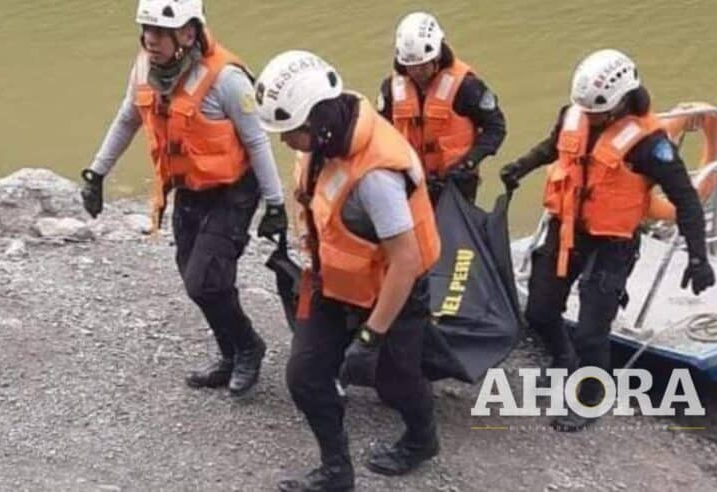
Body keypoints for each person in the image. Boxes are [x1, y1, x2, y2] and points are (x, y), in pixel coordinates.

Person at [499, 49, 716, 431]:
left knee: (591, 331)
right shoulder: (575, 114)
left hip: (613, 243)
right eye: (586, 110)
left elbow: (685, 199)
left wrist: (697, 257)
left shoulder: (650, 144)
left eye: (598, 112)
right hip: (567, 229)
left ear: (621, 101)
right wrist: (521, 166)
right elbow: (554, 145)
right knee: (538, 312)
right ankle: (565, 359)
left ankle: (590, 397)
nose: (590, 117)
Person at [255, 50, 442, 491]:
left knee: (395, 381)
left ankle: (422, 438)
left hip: (389, 291)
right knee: (304, 376)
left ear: (318, 123)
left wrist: (371, 335)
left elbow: (406, 260)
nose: (285, 143)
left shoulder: (377, 176)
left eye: (290, 133)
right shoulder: (326, 141)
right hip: (332, 280)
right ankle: (337, 470)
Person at [80, 0, 287, 398]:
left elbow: (257, 141)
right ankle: (230, 354)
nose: (149, 40)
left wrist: (275, 204)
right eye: (146, 30)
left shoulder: (227, 79)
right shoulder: (143, 69)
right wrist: (97, 173)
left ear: (189, 34)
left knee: (203, 280)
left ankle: (248, 348)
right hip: (188, 190)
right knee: (196, 276)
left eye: (159, 32)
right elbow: (128, 119)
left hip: (233, 192)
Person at [377, 12, 507, 204]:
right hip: (410, 182)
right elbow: (380, 133)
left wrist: (469, 162)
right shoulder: (391, 89)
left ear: (437, 56)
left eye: (422, 66)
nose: (416, 72)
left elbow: (495, 128)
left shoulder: (467, 87)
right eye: (411, 67)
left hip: (456, 182)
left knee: (454, 232)